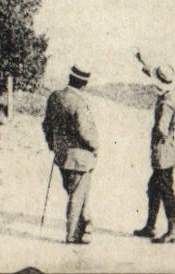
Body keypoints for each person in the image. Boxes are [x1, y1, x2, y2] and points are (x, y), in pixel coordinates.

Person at [42, 64, 99, 245]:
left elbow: (46, 125)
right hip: (80, 158)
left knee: (74, 192)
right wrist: (95, 146)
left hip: (61, 156)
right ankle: (72, 234)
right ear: (84, 84)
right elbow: (84, 132)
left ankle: (85, 223)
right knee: (77, 196)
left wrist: (52, 144)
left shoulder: (55, 97)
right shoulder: (79, 103)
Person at [133, 53, 175, 244]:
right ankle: (150, 226)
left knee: (165, 189)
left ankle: (172, 230)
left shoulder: (166, 103)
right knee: (154, 187)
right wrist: (142, 60)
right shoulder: (174, 94)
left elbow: (162, 127)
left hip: (163, 152)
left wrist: (160, 136)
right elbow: (153, 73)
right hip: (170, 151)